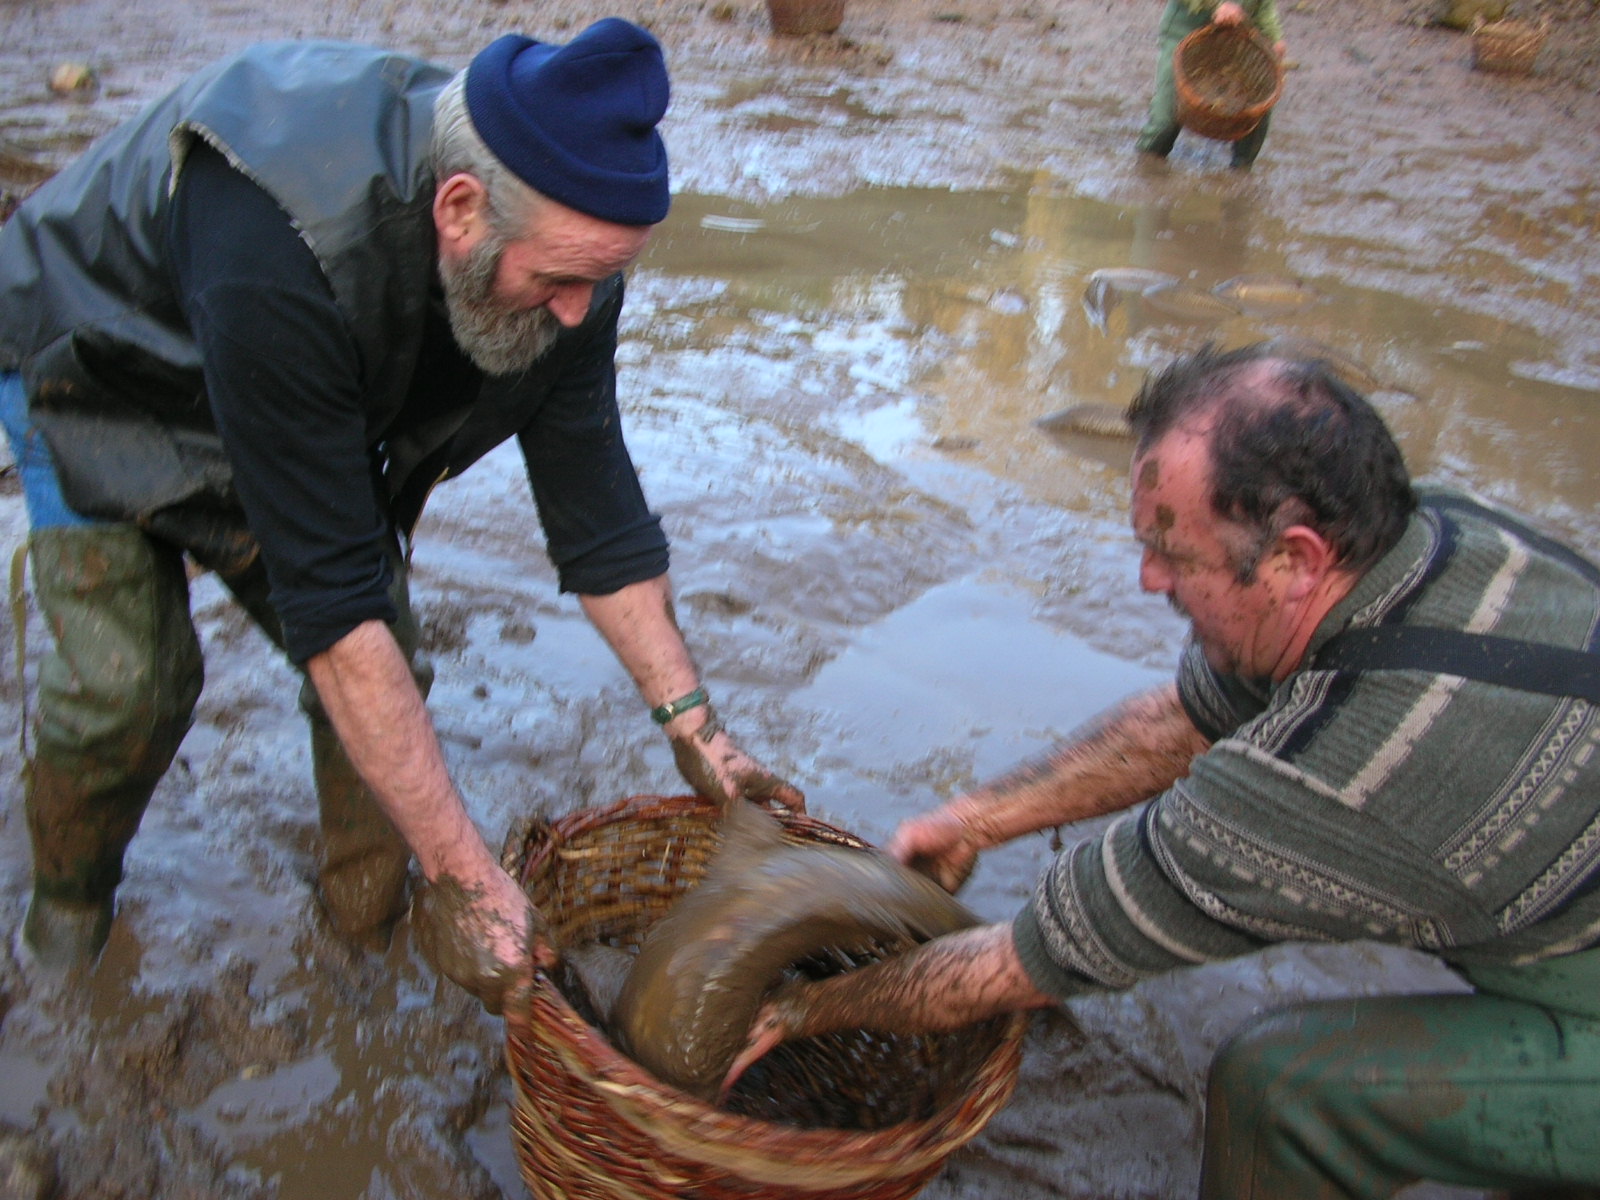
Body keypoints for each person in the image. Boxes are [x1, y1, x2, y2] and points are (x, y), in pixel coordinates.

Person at [0, 19, 802, 1011]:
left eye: (599, 281)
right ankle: (65, 933)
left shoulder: (570, 264)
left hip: (291, 378)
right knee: (132, 688)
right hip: (101, 362)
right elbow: (335, 613)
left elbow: (596, 513)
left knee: (393, 674)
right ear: (460, 209)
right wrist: (467, 876)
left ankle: (362, 934)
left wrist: (699, 731)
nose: (576, 311)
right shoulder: (280, 234)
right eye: (559, 279)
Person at [726, 342, 1600, 1197]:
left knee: (1279, 1092)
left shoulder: (1337, 775)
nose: (1148, 579)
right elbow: (1185, 723)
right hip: (1564, 892)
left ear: (1295, 559)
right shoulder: (1433, 533)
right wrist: (977, 819)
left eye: (1176, 555)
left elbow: (1024, 964)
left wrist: (804, 1011)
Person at [1136, 0, 1286, 170]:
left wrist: (1274, 37)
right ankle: (1146, 165)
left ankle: (1242, 172)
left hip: (1234, 39)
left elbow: (1263, 5)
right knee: (1164, 125)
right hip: (1185, 31)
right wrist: (1217, 5)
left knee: (1258, 106)